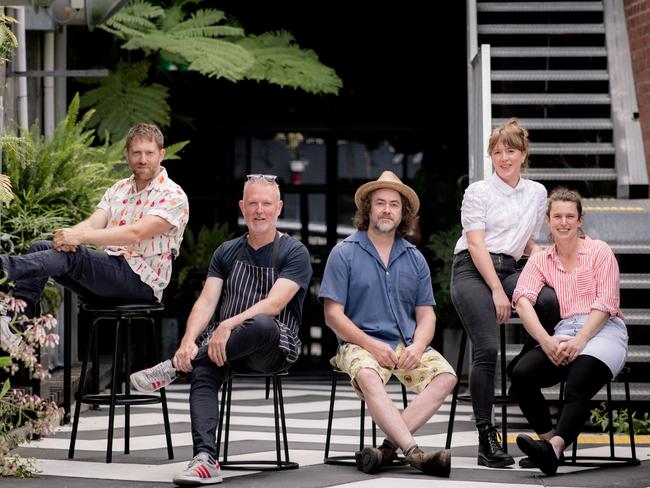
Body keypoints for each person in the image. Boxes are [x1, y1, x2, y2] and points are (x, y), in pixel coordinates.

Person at [129, 174, 312, 486]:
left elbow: (273, 305)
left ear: (279, 208)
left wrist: (227, 325)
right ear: (242, 207)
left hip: (273, 347)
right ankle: (205, 459)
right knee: (202, 372)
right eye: (252, 203)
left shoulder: (294, 252)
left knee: (261, 324)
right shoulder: (227, 251)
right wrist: (187, 342)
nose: (259, 210)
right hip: (220, 349)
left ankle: (173, 369)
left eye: (266, 204)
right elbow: (206, 301)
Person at [319, 171, 457, 478]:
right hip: (358, 344)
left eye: (394, 204)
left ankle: (386, 450)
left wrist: (419, 345)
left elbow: (426, 315)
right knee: (368, 375)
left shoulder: (414, 258)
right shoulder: (344, 253)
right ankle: (415, 454)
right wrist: (371, 345)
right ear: (368, 209)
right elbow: (333, 315)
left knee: (446, 377)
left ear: (402, 213)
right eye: (380, 203)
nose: (386, 209)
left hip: (406, 344)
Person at [449, 118, 560, 468]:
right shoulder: (478, 192)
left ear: (523, 154)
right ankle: (487, 437)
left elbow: (525, 241)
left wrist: (549, 267)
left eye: (510, 150)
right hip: (472, 268)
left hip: (512, 267)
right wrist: (498, 291)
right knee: (487, 347)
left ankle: (522, 368)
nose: (503, 157)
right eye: (497, 152)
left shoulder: (537, 193)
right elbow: (478, 245)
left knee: (549, 301)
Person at [0, 123, 188, 323]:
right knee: (41, 247)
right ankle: (17, 322)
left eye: (149, 153)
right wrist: (67, 237)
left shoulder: (173, 195)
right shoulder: (119, 188)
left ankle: (3, 266)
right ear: (126, 154)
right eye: (136, 153)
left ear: (161, 154)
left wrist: (78, 237)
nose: (143, 160)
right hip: (111, 274)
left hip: (141, 282)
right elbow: (93, 223)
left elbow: (135, 233)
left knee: (74, 257)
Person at [511, 187, 628, 476]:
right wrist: (546, 340)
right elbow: (522, 299)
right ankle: (549, 446)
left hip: (603, 331)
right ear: (548, 221)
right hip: (564, 332)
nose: (563, 222)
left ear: (580, 220)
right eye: (557, 217)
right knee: (521, 375)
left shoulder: (599, 251)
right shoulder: (541, 259)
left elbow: (606, 302)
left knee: (578, 381)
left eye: (570, 217)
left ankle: (556, 446)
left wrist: (582, 339)